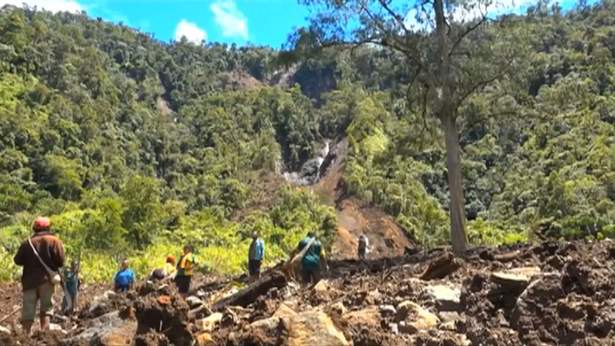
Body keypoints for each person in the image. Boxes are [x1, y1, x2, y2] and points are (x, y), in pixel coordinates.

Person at [13, 217, 65, 335]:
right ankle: (44, 334)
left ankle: (25, 336)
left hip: (29, 282)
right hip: (46, 280)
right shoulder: (54, 241)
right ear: (48, 227)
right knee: (46, 308)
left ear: (34, 228)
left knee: (28, 309)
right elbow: (61, 261)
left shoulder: (27, 243)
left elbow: (17, 260)